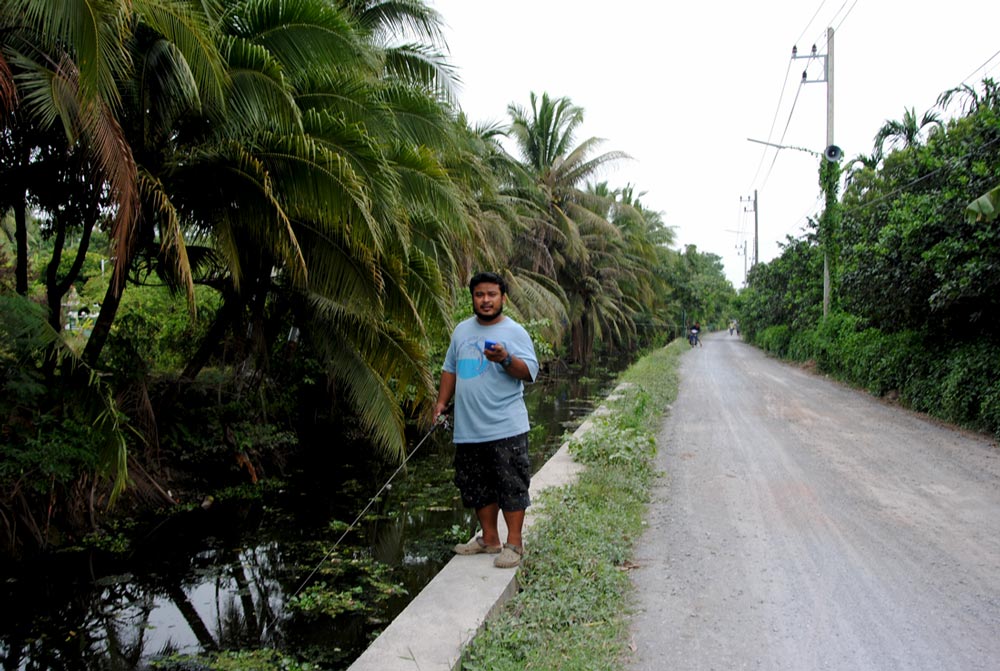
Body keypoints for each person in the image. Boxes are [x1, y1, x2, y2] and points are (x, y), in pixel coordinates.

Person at [432, 272, 539, 569]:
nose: (486, 300)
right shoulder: (461, 331)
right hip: (469, 428)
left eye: (491, 294)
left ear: (503, 297)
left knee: (511, 484)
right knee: (477, 485)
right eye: (479, 295)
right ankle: (489, 539)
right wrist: (441, 403)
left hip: (506, 425)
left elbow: (529, 373)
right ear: (473, 299)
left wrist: (505, 359)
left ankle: (514, 544)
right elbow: (449, 369)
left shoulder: (514, 332)